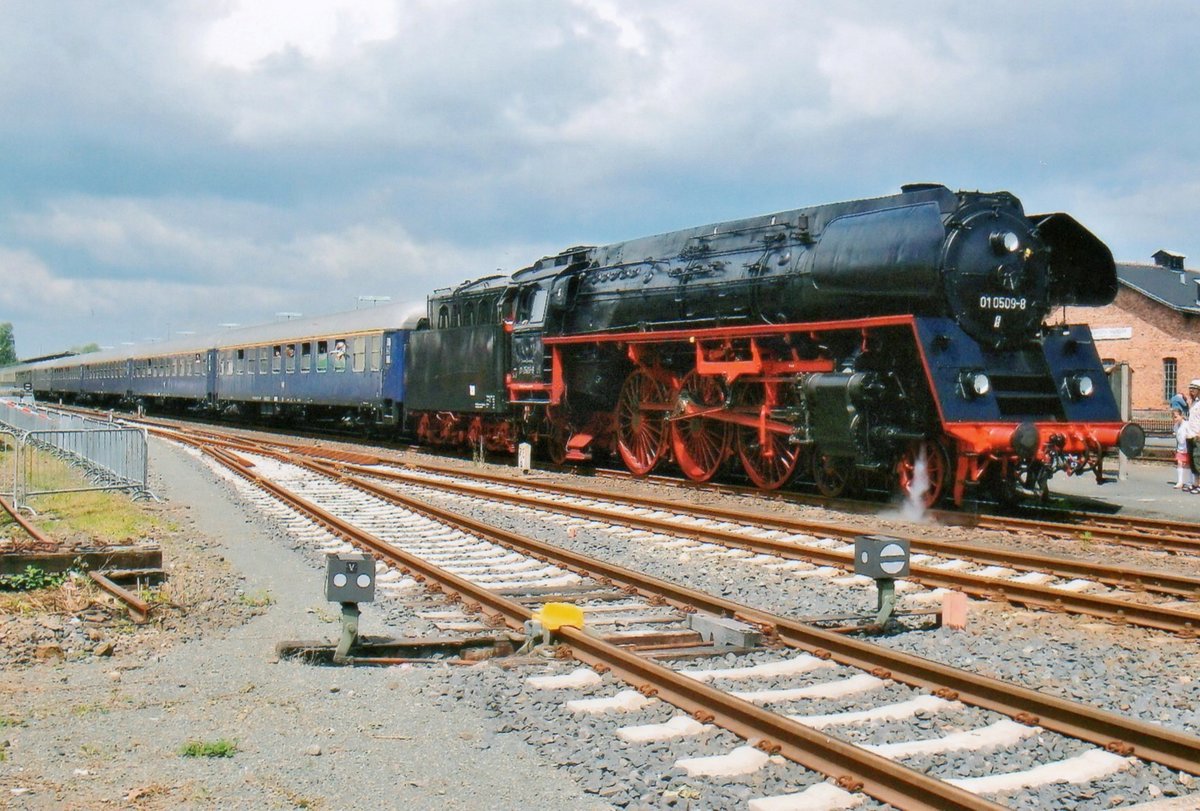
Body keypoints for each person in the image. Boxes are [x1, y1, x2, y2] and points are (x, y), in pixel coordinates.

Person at [1174, 408, 1196, 491]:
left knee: (1189, 465)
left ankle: (1191, 481)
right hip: (1180, 447)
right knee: (1179, 463)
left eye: (1176, 417)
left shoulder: (1186, 424)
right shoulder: (1176, 426)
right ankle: (1180, 482)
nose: (1174, 419)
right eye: (1173, 417)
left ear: (1181, 416)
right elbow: (1177, 436)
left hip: (1187, 447)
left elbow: (1190, 434)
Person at [1185, 379, 1200, 479]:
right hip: (1190, 435)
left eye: (1194, 389)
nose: (1191, 391)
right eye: (1190, 389)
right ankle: (1196, 482)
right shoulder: (1193, 403)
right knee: (1192, 460)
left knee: (1197, 459)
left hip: (1197, 435)